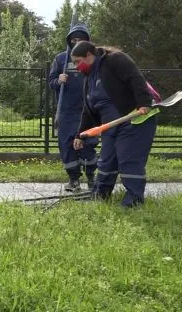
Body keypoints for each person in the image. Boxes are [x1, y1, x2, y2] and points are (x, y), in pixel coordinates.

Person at [71, 41, 159, 208]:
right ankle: (100, 196)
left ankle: (133, 202)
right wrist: (80, 134)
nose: (76, 66)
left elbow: (135, 78)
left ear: (89, 55)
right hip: (111, 126)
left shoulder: (115, 60)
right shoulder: (89, 80)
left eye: (78, 61)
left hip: (134, 120)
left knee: (128, 160)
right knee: (106, 161)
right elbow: (88, 109)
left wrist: (144, 102)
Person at [48, 23, 98, 192]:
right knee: (67, 145)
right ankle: (73, 180)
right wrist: (58, 80)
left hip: (88, 110)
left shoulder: (93, 59)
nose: (76, 42)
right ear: (69, 41)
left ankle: (91, 177)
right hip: (66, 111)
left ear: (87, 42)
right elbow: (51, 82)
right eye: (73, 40)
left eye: (80, 40)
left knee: (88, 143)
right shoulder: (60, 59)